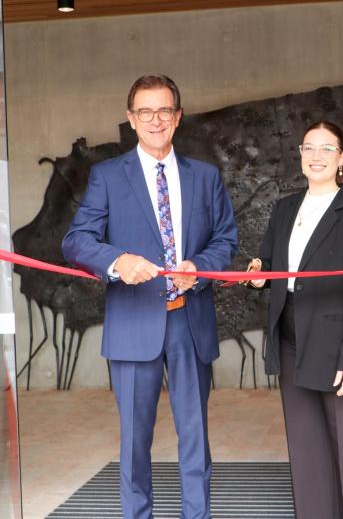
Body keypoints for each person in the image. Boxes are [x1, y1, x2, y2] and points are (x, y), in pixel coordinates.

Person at [62, 74, 238, 519]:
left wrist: (198, 268)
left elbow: (225, 240)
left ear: (178, 118)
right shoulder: (106, 176)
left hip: (189, 320)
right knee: (135, 439)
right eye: (145, 111)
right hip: (133, 322)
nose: (155, 120)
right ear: (131, 119)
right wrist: (118, 260)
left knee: (195, 436)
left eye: (164, 111)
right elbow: (76, 240)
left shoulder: (205, 177)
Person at [247, 120, 343, 519]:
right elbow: (270, 262)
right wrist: (257, 271)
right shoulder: (285, 208)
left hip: (338, 346)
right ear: (300, 155)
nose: (316, 156)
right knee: (307, 456)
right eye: (309, 148)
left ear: (341, 158)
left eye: (327, 149)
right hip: (290, 341)